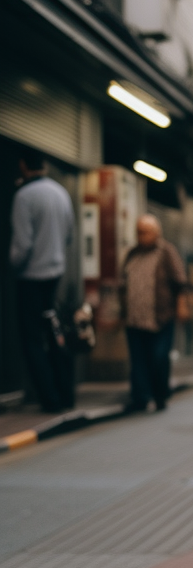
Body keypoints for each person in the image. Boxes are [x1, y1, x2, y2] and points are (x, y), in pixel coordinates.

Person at [9, 147, 74, 413]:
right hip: (55, 274)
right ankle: (65, 395)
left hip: (31, 276)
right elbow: (69, 234)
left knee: (32, 340)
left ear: (23, 166)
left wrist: (12, 266)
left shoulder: (24, 195)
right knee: (54, 334)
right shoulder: (61, 192)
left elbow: (22, 244)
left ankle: (48, 400)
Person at [121, 214, 187, 412]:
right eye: (139, 232)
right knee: (138, 361)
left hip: (160, 317)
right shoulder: (131, 253)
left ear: (156, 233)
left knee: (158, 358)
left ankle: (160, 395)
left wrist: (181, 305)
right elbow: (122, 282)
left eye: (146, 232)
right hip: (134, 319)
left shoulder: (166, 251)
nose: (142, 236)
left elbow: (180, 281)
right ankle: (140, 398)